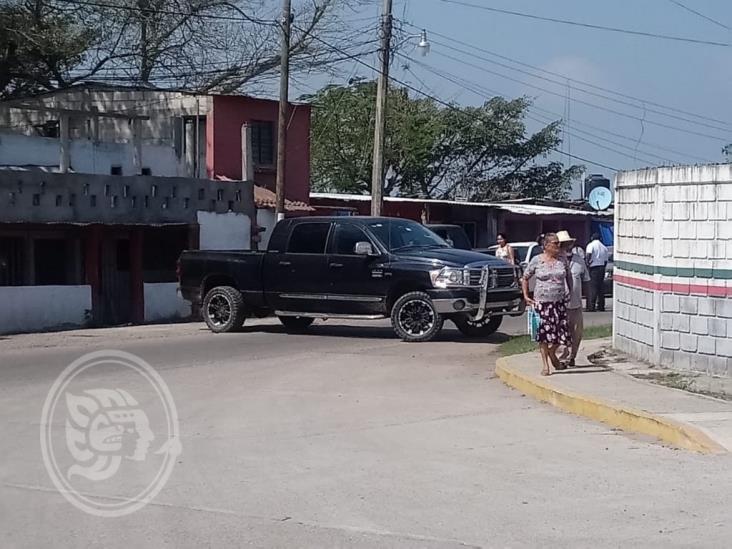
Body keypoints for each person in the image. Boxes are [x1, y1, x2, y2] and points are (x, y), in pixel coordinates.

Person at [521, 232, 573, 376]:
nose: (558, 246)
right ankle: (545, 365)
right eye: (555, 243)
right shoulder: (537, 260)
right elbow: (525, 278)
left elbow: (568, 276)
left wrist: (571, 292)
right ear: (546, 246)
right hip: (542, 304)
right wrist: (526, 296)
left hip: (559, 302)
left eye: (559, 243)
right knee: (544, 335)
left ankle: (552, 352)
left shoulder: (562, 259)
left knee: (561, 333)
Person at [557, 231, 590, 367]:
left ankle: (572, 356)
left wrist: (588, 301)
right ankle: (561, 358)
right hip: (560, 303)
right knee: (561, 331)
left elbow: (586, 279)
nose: (567, 246)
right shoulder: (555, 261)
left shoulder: (579, 260)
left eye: (569, 243)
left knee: (576, 331)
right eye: (564, 244)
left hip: (576, 303)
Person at [585, 232, 609, 312]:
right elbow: (606, 261)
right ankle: (601, 306)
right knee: (601, 287)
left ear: (592, 238)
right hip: (601, 267)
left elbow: (588, 255)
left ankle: (592, 306)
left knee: (593, 287)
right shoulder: (604, 247)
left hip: (593, 268)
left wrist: (587, 263)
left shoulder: (591, 245)